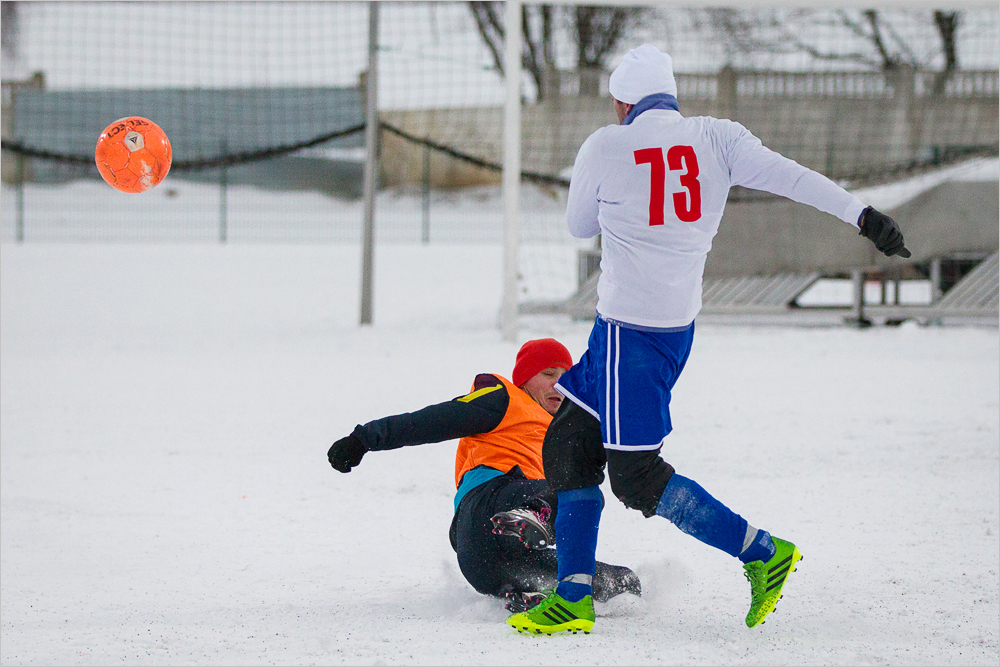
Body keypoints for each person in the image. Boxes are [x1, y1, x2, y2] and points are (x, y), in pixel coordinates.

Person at [506, 44, 911, 635]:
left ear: (622, 101)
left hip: (629, 336)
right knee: (568, 441)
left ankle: (762, 552)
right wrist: (863, 215)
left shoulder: (606, 144)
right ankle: (572, 595)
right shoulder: (719, 138)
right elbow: (792, 178)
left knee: (637, 478)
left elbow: (578, 226)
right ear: (670, 94)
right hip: (666, 333)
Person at [326, 338, 641, 611]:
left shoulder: (567, 429)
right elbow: (434, 419)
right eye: (548, 374)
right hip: (490, 505)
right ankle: (538, 515)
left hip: (487, 561)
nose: (559, 383)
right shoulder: (505, 399)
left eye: (565, 376)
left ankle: (526, 593)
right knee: (575, 491)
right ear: (525, 379)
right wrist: (365, 439)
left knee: (624, 582)